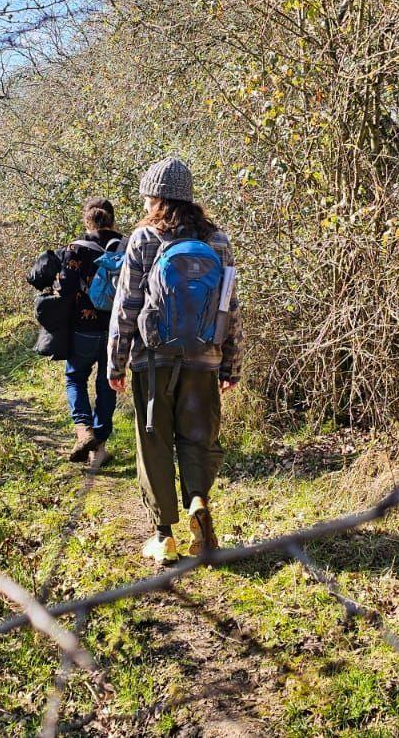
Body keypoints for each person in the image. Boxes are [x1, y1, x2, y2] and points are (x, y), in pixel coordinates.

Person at [108, 158, 241, 564]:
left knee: (155, 442)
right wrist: (229, 364)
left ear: (157, 197)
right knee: (199, 438)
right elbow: (229, 307)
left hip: (153, 358)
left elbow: (127, 303)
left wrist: (116, 361)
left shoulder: (146, 238)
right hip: (204, 357)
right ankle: (198, 501)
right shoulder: (219, 241)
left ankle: (163, 534)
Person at [34, 198, 123, 464]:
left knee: (75, 378)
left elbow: (65, 290)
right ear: (112, 219)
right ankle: (100, 448)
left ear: (86, 219)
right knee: (108, 385)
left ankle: (83, 430)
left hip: (83, 330)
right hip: (116, 331)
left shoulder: (74, 249)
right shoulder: (127, 246)